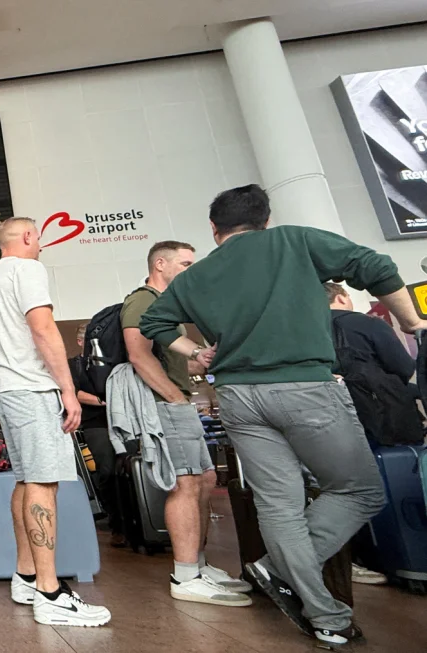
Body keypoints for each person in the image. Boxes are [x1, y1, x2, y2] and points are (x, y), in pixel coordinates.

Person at [140, 184, 427, 646]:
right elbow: (376, 266)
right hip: (304, 388)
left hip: (236, 396)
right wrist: (413, 323)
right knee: (359, 490)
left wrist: (196, 352)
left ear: (215, 230)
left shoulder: (197, 275)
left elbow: (154, 322)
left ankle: (326, 617)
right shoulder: (294, 240)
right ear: (264, 220)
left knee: (279, 504)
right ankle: (277, 571)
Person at [0, 217, 111, 627]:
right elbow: (44, 328)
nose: (43, 247)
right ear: (29, 237)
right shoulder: (27, 269)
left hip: (4, 389)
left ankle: (27, 575)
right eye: (40, 239)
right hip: (30, 388)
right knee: (42, 482)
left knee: (25, 478)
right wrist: (68, 390)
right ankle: (51, 592)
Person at [120, 241, 251, 607]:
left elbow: (182, 364)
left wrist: (204, 358)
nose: (192, 268)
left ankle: (199, 564)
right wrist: (177, 399)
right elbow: (138, 356)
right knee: (187, 482)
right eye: (186, 262)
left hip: (178, 401)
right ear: (160, 264)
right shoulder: (144, 301)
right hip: (166, 404)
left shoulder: (170, 308)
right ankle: (186, 575)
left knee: (206, 479)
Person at [324, 282, 409, 586]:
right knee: (390, 481)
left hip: (331, 424)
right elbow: (402, 366)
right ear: (343, 297)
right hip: (383, 418)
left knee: (345, 486)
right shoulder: (367, 324)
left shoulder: (306, 332)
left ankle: (359, 556)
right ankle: (403, 554)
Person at [68, 324, 123, 549]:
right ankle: (116, 522)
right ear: (81, 342)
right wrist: (105, 402)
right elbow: (74, 393)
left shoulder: (111, 363)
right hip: (94, 423)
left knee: (126, 470)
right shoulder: (74, 365)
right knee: (107, 468)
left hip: (120, 421)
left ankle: (133, 522)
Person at [325, 282, 416, 384]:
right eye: (348, 297)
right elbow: (404, 367)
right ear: (340, 298)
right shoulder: (368, 322)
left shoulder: (310, 332)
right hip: (379, 394)